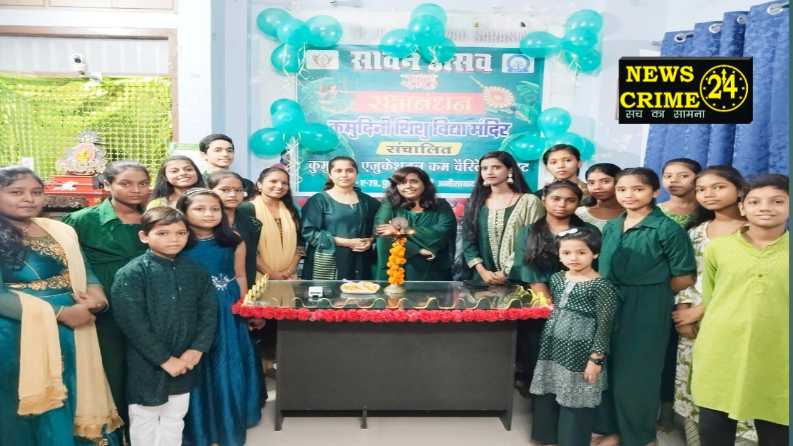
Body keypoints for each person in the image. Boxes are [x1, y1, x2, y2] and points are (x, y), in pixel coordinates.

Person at [0, 166, 122, 445]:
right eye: (16, 192)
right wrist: (60, 313)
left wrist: (97, 298)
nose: (28, 198)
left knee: (74, 391)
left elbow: (85, 271)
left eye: (36, 192)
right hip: (19, 333)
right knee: (30, 403)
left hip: (76, 327)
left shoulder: (59, 229)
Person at [681, 174, 789, 446]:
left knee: (776, 430)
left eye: (777, 201)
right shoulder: (719, 249)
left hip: (778, 355)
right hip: (720, 352)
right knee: (714, 429)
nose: (765, 208)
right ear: (742, 207)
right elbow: (712, 296)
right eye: (755, 202)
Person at [593, 167, 696, 446]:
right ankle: (613, 430)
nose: (629, 195)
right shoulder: (614, 224)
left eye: (638, 189)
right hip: (609, 300)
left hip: (647, 306)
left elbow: (684, 275)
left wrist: (652, 293)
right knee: (607, 367)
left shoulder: (667, 229)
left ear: (654, 192)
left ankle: (640, 437)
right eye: (622, 189)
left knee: (638, 375)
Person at [111, 207, 217, 446]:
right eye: (163, 233)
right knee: (144, 417)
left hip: (186, 359)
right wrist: (165, 360)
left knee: (176, 416)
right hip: (147, 361)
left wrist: (196, 349)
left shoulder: (196, 271)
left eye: (180, 233)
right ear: (144, 236)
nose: (173, 239)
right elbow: (132, 323)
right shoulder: (131, 273)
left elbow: (209, 313)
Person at [669, 166, 756, 446]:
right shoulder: (695, 232)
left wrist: (701, 310)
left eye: (718, 187)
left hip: (734, 319)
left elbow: (747, 282)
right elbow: (686, 274)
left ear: (739, 190)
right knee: (695, 381)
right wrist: (683, 311)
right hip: (692, 321)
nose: (708, 194)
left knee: (734, 382)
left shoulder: (753, 231)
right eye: (702, 189)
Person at [62, 160, 151, 430]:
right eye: (126, 183)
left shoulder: (154, 219)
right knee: (109, 371)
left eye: (143, 184)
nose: (136, 190)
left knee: (146, 371)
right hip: (105, 310)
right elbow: (65, 263)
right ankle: (112, 431)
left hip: (149, 308)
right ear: (107, 185)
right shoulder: (82, 220)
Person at [176, 189, 262, 446]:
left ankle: (230, 420)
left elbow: (240, 275)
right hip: (190, 307)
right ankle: (200, 426)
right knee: (198, 360)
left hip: (226, 306)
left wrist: (245, 306)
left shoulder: (233, 239)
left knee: (227, 359)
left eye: (215, 209)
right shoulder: (178, 240)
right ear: (184, 212)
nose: (209, 214)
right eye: (199, 209)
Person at [529, 226, 619, 446]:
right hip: (553, 345)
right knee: (549, 388)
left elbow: (605, 325)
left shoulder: (602, 286)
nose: (573, 258)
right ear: (559, 255)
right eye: (566, 252)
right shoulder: (557, 278)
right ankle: (547, 437)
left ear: (595, 254)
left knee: (577, 395)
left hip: (581, 350)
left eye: (581, 252)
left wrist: (596, 359)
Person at [509, 180, 599, 397]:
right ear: (544, 200)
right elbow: (526, 267)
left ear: (578, 203)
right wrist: (546, 301)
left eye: (570, 200)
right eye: (556, 199)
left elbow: (595, 268)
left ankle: (569, 398)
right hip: (539, 303)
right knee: (535, 351)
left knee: (571, 353)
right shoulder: (529, 231)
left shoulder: (589, 231)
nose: (562, 205)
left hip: (579, 301)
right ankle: (541, 402)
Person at [656, 157, 702, 430]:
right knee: (665, 352)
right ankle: (664, 411)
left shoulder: (707, 214)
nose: (674, 181)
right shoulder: (655, 213)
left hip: (699, 294)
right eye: (668, 175)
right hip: (663, 292)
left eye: (683, 175)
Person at [462, 151, 544, 285]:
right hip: (482, 279)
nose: (489, 172)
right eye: (484, 168)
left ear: (510, 170)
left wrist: (506, 272)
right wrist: (482, 271)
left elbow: (533, 241)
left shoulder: (529, 202)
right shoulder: (475, 203)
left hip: (520, 278)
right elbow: (468, 240)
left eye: (496, 167)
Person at [301, 156, 380, 280]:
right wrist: (347, 243)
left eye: (349, 170)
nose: (344, 175)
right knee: (328, 292)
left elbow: (378, 229)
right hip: (328, 261)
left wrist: (370, 240)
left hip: (361, 261)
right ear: (330, 175)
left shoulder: (369, 202)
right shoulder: (318, 201)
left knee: (360, 291)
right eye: (338, 171)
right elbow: (309, 232)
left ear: (356, 173)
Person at [374, 166, 457, 281]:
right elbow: (382, 233)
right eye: (402, 182)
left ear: (425, 184)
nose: (408, 186)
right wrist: (417, 250)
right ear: (396, 186)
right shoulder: (389, 205)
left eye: (414, 181)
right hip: (396, 269)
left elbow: (444, 232)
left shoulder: (440, 205)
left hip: (434, 269)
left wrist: (402, 230)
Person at [248, 166, 303, 280]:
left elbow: (300, 244)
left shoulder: (292, 209)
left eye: (284, 183)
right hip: (258, 277)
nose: (279, 186)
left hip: (289, 277)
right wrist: (272, 274)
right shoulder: (247, 209)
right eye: (273, 181)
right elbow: (248, 249)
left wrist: (289, 271)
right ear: (259, 185)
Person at [199, 134, 257, 200]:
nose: (225, 154)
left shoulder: (247, 184)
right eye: (218, 150)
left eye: (229, 151)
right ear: (204, 155)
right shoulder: (197, 182)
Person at [575, 163, 623, 231]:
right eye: (591, 183)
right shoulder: (578, 214)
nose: (597, 187)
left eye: (605, 181)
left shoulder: (632, 213)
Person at [658, 158, 702, 226]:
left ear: (698, 178)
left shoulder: (709, 209)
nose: (673, 180)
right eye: (668, 176)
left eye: (684, 176)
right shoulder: (653, 212)